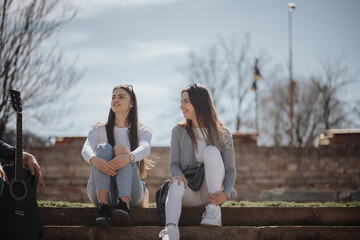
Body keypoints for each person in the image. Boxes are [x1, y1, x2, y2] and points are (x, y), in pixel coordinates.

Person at [159, 84, 236, 240]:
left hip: (211, 192)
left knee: (211, 151)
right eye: (181, 101)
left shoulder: (222, 133)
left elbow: (230, 170)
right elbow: (174, 164)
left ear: (199, 102)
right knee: (175, 183)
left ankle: (214, 211)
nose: (181, 106)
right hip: (189, 191)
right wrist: (178, 175)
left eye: (186, 101)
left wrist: (226, 194)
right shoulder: (178, 131)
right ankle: (171, 231)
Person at [81, 84, 152, 226]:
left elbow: (145, 148)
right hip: (99, 192)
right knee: (103, 149)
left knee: (121, 149)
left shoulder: (142, 131)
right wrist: (95, 160)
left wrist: (128, 157)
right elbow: (86, 148)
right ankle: (103, 208)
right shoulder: (98, 129)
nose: (116, 100)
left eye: (121, 97)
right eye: (113, 97)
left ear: (131, 103)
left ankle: (123, 206)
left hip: (132, 194)